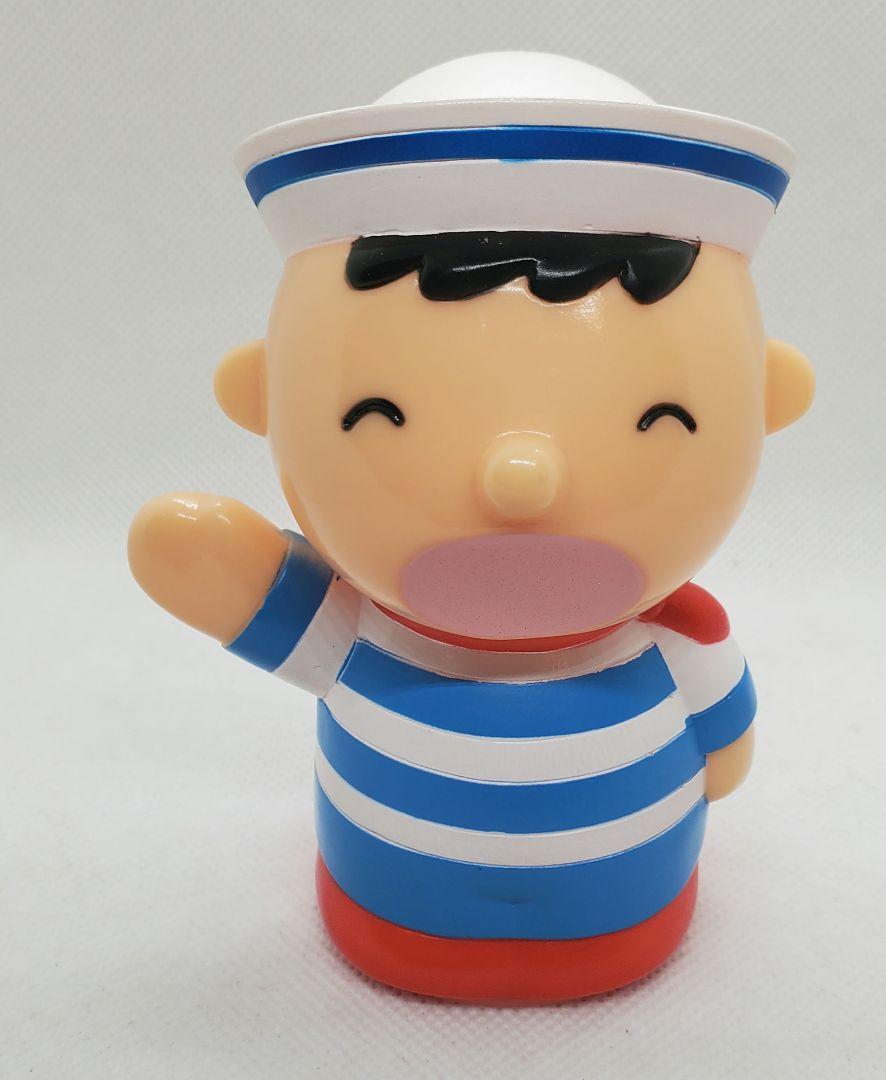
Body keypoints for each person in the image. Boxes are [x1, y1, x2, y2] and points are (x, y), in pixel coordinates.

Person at [128, 52, 814, 1003]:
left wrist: (725, 746)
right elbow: (724, 764)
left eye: (656, 419)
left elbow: (727, 740)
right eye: (381, 415)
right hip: (385, 911)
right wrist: (221, 565)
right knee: (402, 932)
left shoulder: (682, 634)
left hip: (633, 908)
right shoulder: (359, 628)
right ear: (265, 396)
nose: (521, 481)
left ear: (765, 400)